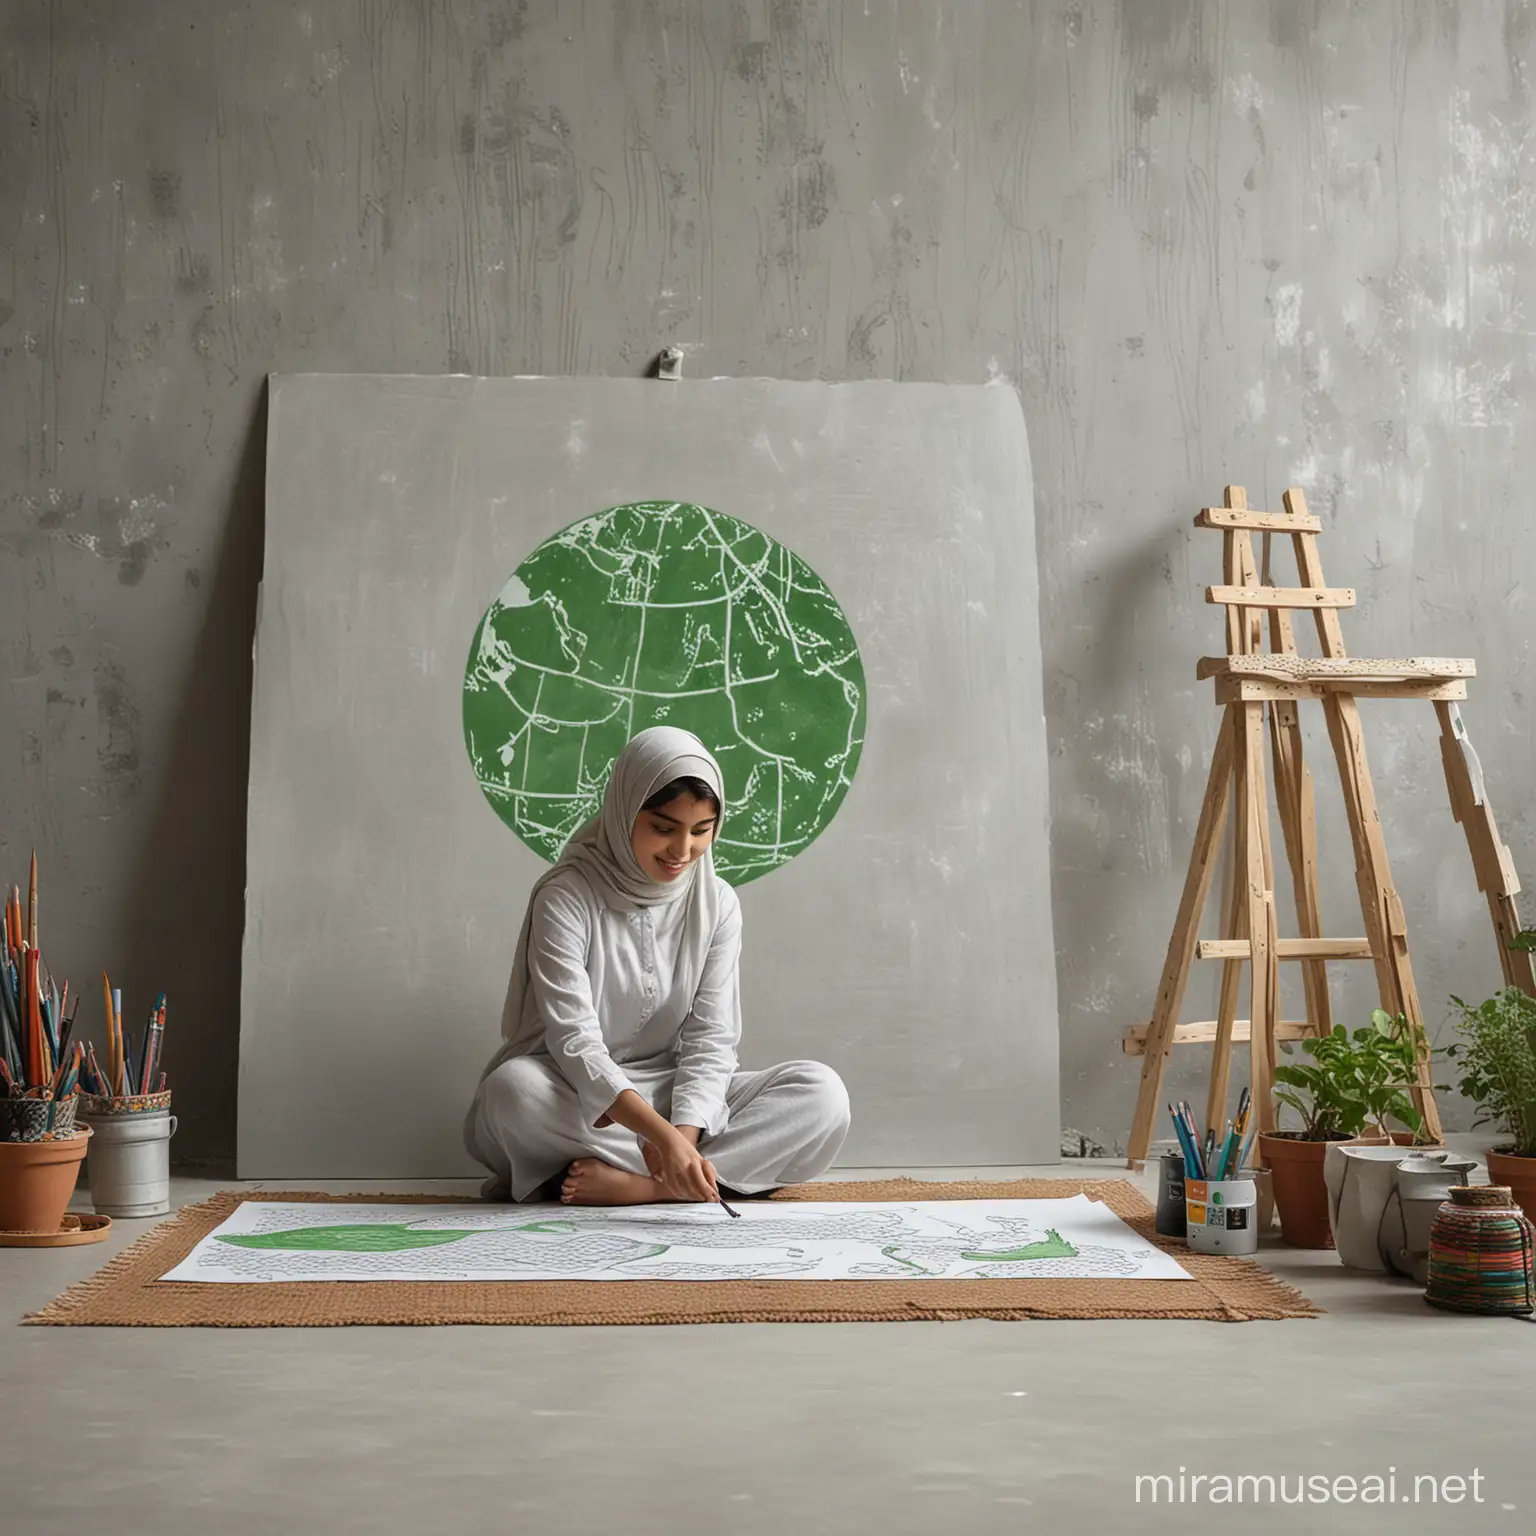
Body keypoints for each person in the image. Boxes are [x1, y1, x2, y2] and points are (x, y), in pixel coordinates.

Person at [464, 725, 851, 1205]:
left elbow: (712, 1040)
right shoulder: (566, 896)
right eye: (664, 828)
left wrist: (680, 1140)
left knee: (821, 1095)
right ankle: (703, 1176)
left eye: (701, 831)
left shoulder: (717, 904)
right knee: (511, 1092)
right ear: (625, 812)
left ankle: (642, 1188)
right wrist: (661, 1140)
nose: (682, 851)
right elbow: (573, 1040)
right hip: (575, 1092)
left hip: (674, 1097)